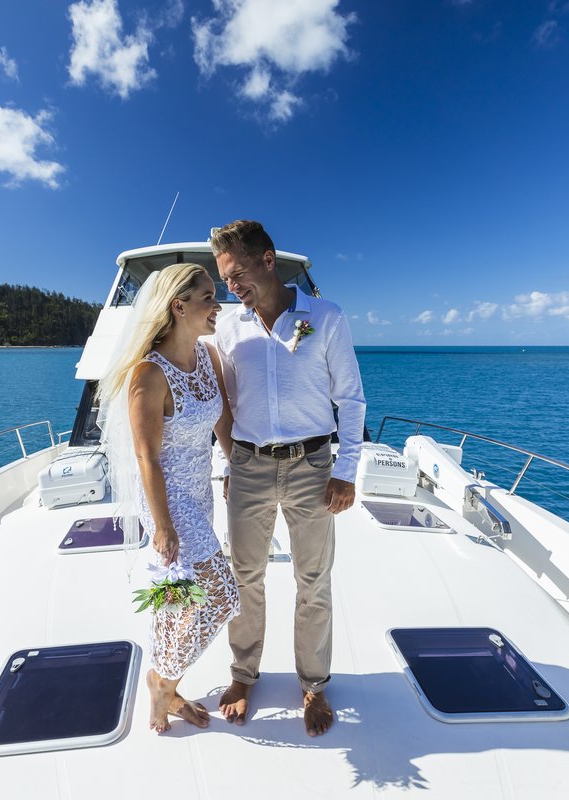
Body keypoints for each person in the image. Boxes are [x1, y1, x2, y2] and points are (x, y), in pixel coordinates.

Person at [211, 220, 365, 737]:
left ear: (268, 259)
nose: (231, 286)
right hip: (249, 465)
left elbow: (351, 399)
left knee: (313, 581)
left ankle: (313, 683)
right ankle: (243, 674)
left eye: (237, 273)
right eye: (225, 279)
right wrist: (230, 464)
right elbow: (226, 405)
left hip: (313, 466)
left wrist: (345, 471)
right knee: (244, 577)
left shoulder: (325, 316)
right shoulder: (229, 327)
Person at [98, 263, 241, 734]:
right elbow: (146, 457)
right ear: (179, 306)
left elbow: (222, 419)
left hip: (200, 490)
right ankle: (162, 681)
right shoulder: (148, 374)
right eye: (208, 297)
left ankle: (167, 686)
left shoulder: (207, 355)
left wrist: (234, 465)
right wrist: (161, 525)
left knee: (176, 596)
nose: (217, 305)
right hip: (167, 498)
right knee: (219, 594)